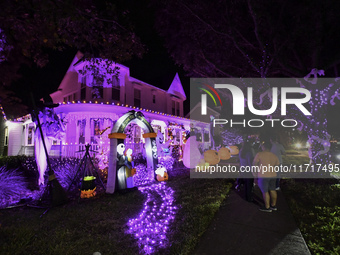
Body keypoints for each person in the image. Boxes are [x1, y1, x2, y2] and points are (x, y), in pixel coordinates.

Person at [253, 141, 280, 212]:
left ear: (264, 147)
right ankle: (273, 205)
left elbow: (254, 164)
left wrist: (255, 173)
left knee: (265, 191)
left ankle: (267, 207)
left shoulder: (259, 154)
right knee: (272, 189)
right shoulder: (274, 155)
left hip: (263, 175)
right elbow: (277, 166)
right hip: (273, 175)